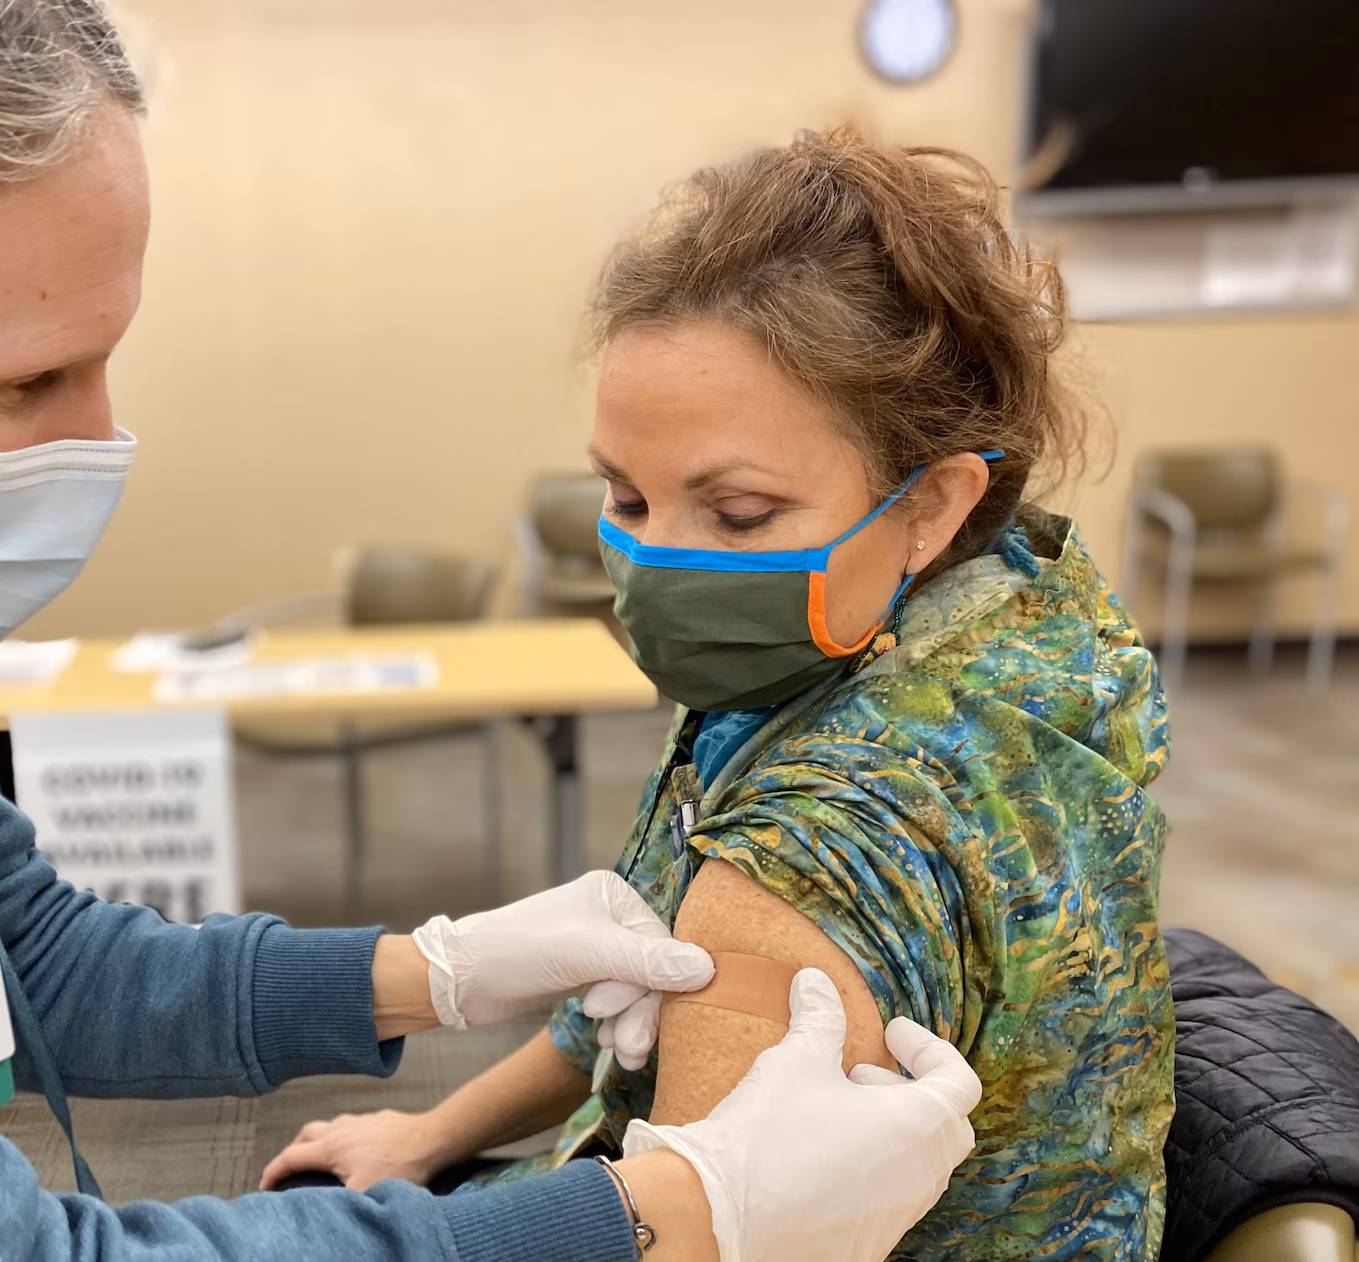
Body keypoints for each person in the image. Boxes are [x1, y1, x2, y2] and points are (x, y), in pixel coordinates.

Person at [0, 5, 982, 1262]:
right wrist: (674, 1217)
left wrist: (429, 973)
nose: (99, 443)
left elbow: (26, 965)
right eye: (28, 383)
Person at [265, 132, 1176, 1260]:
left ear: (931, 504)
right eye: (624, 495)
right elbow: (610, 1013)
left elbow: (677, 1226)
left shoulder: (819, 839)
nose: (658, 561)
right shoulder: (962, 628)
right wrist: (426, 1133)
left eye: (737, 515)